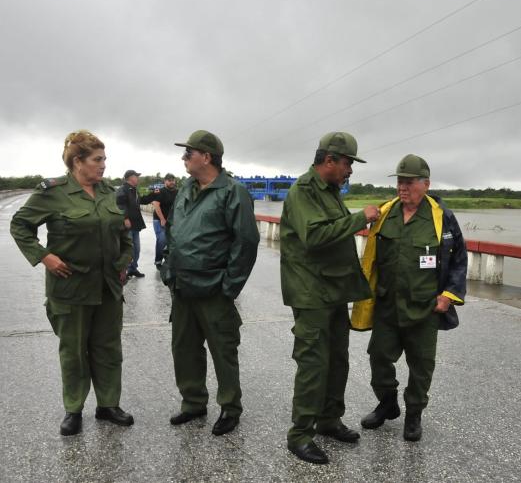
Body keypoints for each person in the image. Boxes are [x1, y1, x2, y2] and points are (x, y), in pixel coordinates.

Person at [10, 129, 135, 436]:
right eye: (98, 159)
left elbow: (124, 234)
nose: (104, 165)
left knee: (108, 348)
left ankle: (108, 404)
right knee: (74, 351)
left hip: (108, 288)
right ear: (78, 161)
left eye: (104, 158)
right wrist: (44, 257)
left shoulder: (108, 192)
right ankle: (73, 409)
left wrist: (123, 264)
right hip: (70, 288)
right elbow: (20, 225)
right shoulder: (52, 192)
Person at [280, 131, 380, 464]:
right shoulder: (304, 191)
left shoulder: (331, 191)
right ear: (329, 161)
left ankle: (328, 419)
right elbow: (315, 236)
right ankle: (300, 435)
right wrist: (359, 218)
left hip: (334, 291)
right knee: (313, 363)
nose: (351, 170)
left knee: (338, 358)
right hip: (311, 293)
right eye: (348, 163)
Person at [351, 154, 467, 442]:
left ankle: (414, 413)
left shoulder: (442, 218)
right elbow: (370, 256)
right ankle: (387, 403)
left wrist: (449, 296)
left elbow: (459, 260)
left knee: (422, 365)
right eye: (400, 182)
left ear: (425, 184)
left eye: (409, 182)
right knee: (378, 357)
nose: (402, 188)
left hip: (425, 308)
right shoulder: (386, 212)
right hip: (387, 305)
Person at [160, 130, 259, 436]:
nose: (183, 158)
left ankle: (230, 407)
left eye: (188, 153)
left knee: (223, 349)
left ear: (206, 156)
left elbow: (246, 242)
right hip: (183, 287)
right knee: (185, 348)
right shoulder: (186, 189)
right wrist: (168, 267)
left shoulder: (232, 191)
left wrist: (229, 286)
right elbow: (175, 232)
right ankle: (193, 403)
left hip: (214, 288)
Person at [116, 169, 148, 278]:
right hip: (127, 226)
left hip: (135, 225)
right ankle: (124, 271)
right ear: (130, 177)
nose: (138, 178)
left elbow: (141, 201)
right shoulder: (122, 189)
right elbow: (119, 204)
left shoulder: (134, 190)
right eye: (136, 176)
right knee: (128, 249)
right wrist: (125, 218)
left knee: (136, 249)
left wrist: (155, 195)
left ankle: (133, 269)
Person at [142, 173, 178, 266]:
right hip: (159, 220)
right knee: (162, 240)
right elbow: (156, 205)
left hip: (172, 221)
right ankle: (158, 260)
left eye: (173, 180)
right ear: (165, 181)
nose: (172, 182)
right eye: (169, 180)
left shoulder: (177, 192)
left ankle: (169, 259)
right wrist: (162, 219)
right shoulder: (160, 191)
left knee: (172, 241)